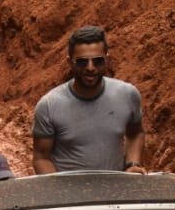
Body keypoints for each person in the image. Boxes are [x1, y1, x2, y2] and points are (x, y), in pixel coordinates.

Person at [31, 25, 147, 175]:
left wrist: (132, 163)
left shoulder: (127, 95)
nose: (90, 68)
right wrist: (60, 193)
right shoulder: (49, 106)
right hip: (72, 195)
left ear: (107, 60)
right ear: (69, 62)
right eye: (82, 62)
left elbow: (136, 133)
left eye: (97, 61)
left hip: (117, 192)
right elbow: (41, 158)